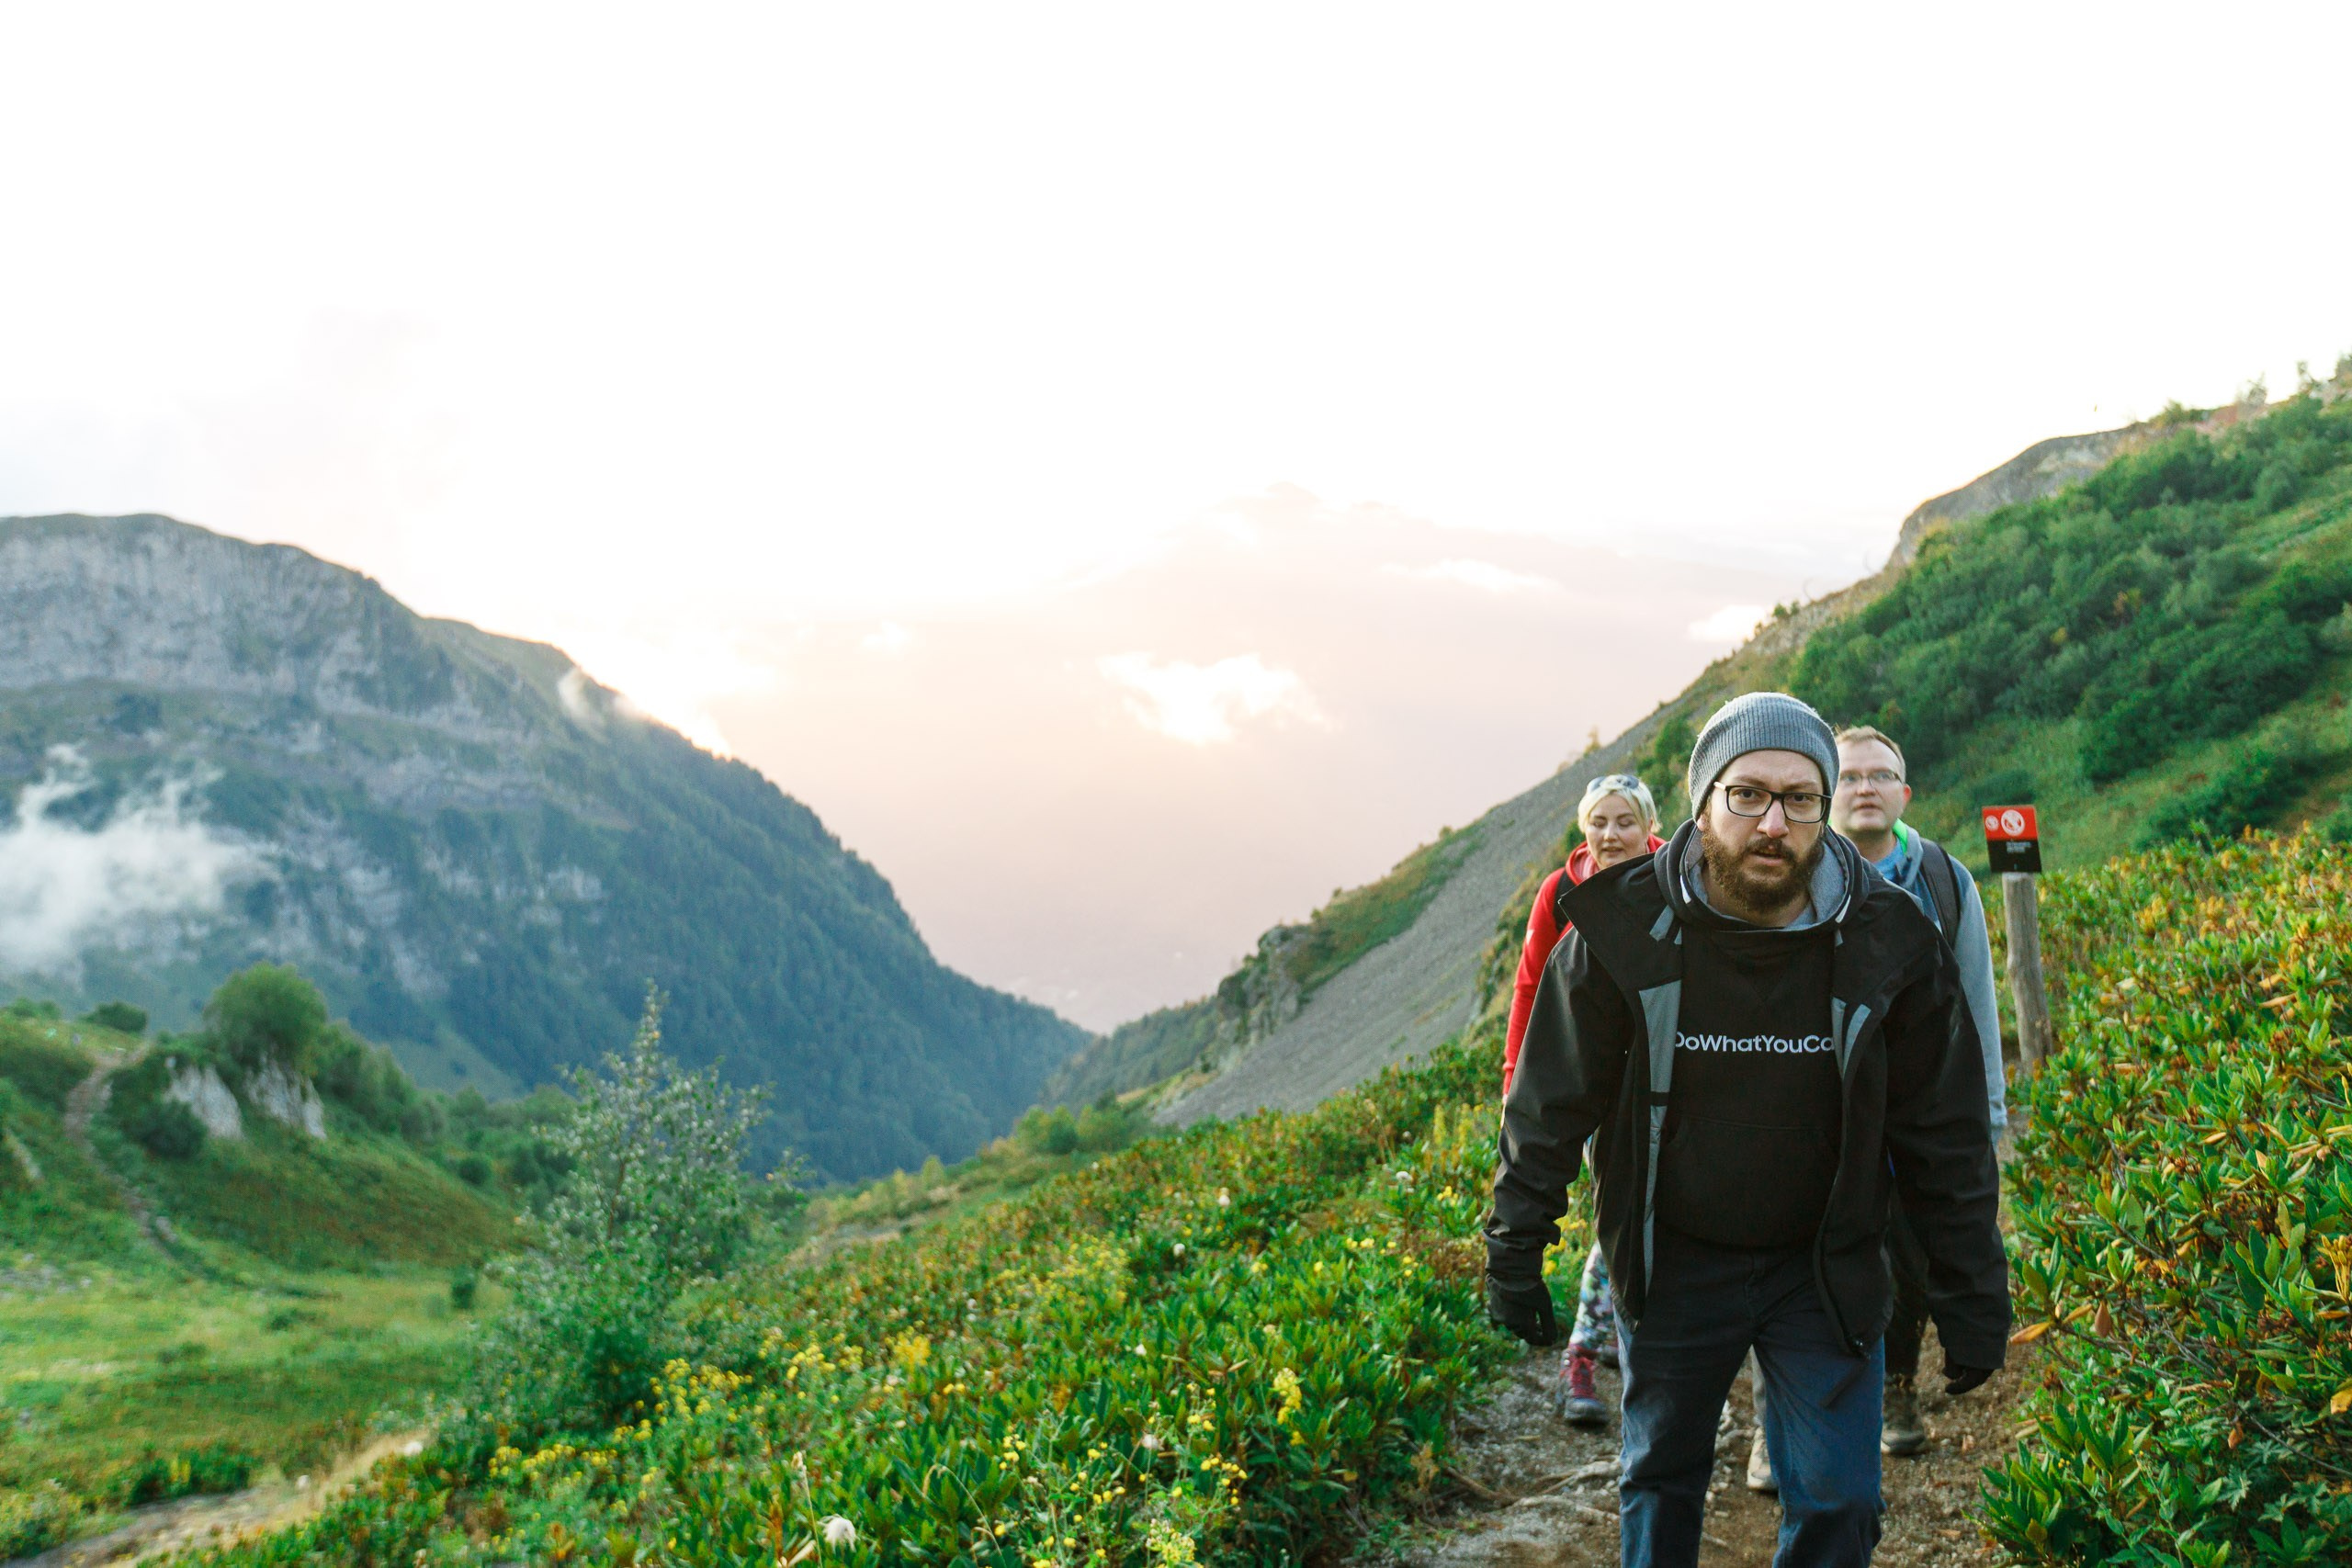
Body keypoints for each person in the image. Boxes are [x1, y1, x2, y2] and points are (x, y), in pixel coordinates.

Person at [1483, 692, 2007, 1568]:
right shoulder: (1622, 930)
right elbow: (1549, 1101)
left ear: (1825, 805)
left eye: (1802, 797)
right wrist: (1514, 1242)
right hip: (1676, 1253)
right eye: (1748, 794)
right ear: (1703, 801)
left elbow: (1941, 1133)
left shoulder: (1889, 937)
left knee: (1841, 1498)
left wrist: (1972, 1292)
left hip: (1826, 1262)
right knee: (1661, 1473)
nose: (1774, 821)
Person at [1829, 725, 2007, 1462]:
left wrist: (1988, 1109)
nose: (1864, 786)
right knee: (1797, 1265)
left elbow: (1976, 1000)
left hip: (1919, 1115)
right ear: (1825, 792)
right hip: (1823, 1116)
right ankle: (1783, 1421)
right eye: (1849, 777)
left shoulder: (1944, 878)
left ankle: (1896, 1382)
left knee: (1909, 1258)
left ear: (1905, 792)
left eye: (1880, 775)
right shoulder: (1800, 875)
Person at [1501, 773, 1665, 1427]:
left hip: (1651, 1082)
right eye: (1598, 821)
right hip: (1582, 1078)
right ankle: (1585, 1349)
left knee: (1633, 1215)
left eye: (1623, 821)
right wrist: (1519, 1079)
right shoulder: (1562, 890)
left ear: (1647, 824)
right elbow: (1531, 984)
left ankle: (1622, 1333)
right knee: (1616, 1216)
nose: (1609, 834)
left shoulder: (1673, 879)